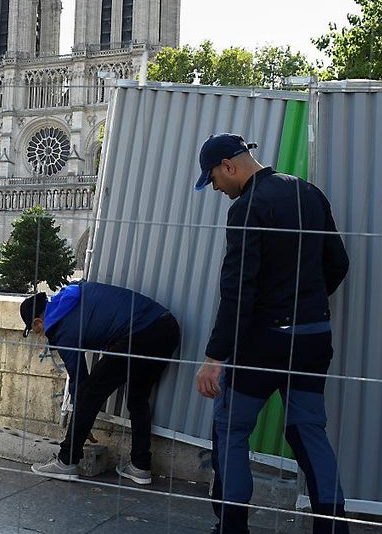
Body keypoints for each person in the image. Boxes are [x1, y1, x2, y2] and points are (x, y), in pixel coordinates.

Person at [192, 134, 351, 534]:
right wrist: (306, 302)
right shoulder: (309, 193)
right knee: (308, 430)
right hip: (314, 335)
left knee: (231, 429)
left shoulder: (247, 207)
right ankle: (334, 529)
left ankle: (232, 528)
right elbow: (338, 262)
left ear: (229, 165)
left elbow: (238, 288)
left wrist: (215, 357)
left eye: (212, 177)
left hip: (265, 341)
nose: (214, 187)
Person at [20, 281, 180, 485]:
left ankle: (66, 462)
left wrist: (81, 422)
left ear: (37, 322)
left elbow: (80, 380)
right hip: (167, 328)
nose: (39, 334)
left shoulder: (60, 327)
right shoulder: (73, 294)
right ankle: (140, 466)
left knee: (90, 392)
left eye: (35, 330)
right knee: (137, 398)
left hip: (139, 333)